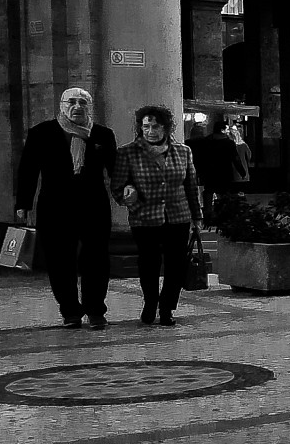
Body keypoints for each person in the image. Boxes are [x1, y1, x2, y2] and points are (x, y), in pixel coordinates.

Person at [15, 86, 120, 329]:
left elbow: (116, 169)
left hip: (93, 204)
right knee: (59, 259)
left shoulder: (103, 135)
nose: (77, 107)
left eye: (83, 103)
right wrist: (23, 203)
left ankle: (95, 310)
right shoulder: (42, 133)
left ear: (89, 107)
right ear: (62, 106)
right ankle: (70, 311)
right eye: (71, 102)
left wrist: (126, 191)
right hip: (55, 205)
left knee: (96, 258)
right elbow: (28, 170)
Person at [113, 105, 203, 326]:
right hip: (145, 217)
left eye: (155, 126)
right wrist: (130, 201)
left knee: (176, 264)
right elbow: (117, 187)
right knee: (149, 263)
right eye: (146, 126)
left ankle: (167, 307)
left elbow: (191, 185)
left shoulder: (183, 151)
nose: (151, 131)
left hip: (177, 215)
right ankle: (150, 303)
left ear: (166, 127)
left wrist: (197, 215)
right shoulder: (128, 152)